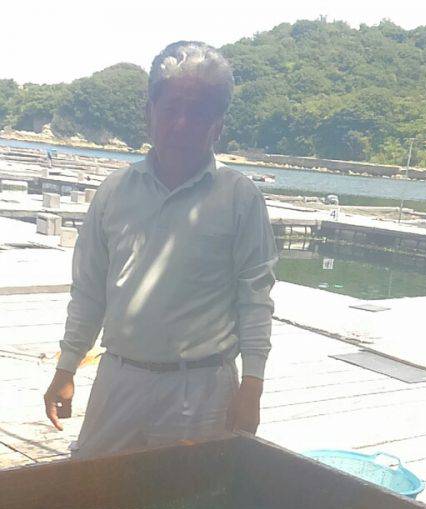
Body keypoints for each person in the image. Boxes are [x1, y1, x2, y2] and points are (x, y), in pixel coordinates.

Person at [44, 41, 277, 458]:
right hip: (119, 378)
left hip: (202, 389)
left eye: (199, 112)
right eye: (171, 108)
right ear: (149, 114)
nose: (182, 123)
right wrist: (67, 366)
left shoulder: (240, 198)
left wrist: (253, 387)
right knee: (90, 498)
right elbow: (90, 291)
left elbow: (255, 298)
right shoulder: (114, 192)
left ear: (218, 124)